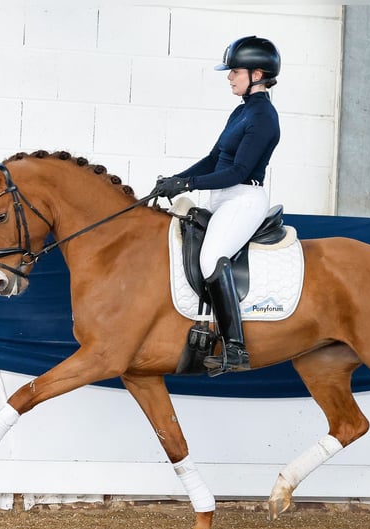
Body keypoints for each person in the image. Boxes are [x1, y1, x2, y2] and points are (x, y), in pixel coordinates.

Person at [154, 35, 281, 373]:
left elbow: (237, 171)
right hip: (222, 195)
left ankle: (236, 349)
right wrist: (175, 180)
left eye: (235, 71)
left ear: (257, 74)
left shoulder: (264, 117)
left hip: (243, 197)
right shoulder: (240, 113)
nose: (229, 77)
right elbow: (214, 160)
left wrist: (189, 184)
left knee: (211, 258)